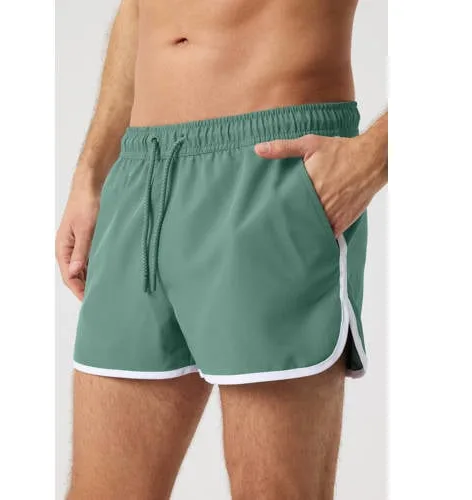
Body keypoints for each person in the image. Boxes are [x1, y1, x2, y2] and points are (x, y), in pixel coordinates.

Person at [56, 0, 387, 498]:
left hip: (270, 166)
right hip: (139, 179)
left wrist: (374, 158)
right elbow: (137, 11)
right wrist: (91, 174)